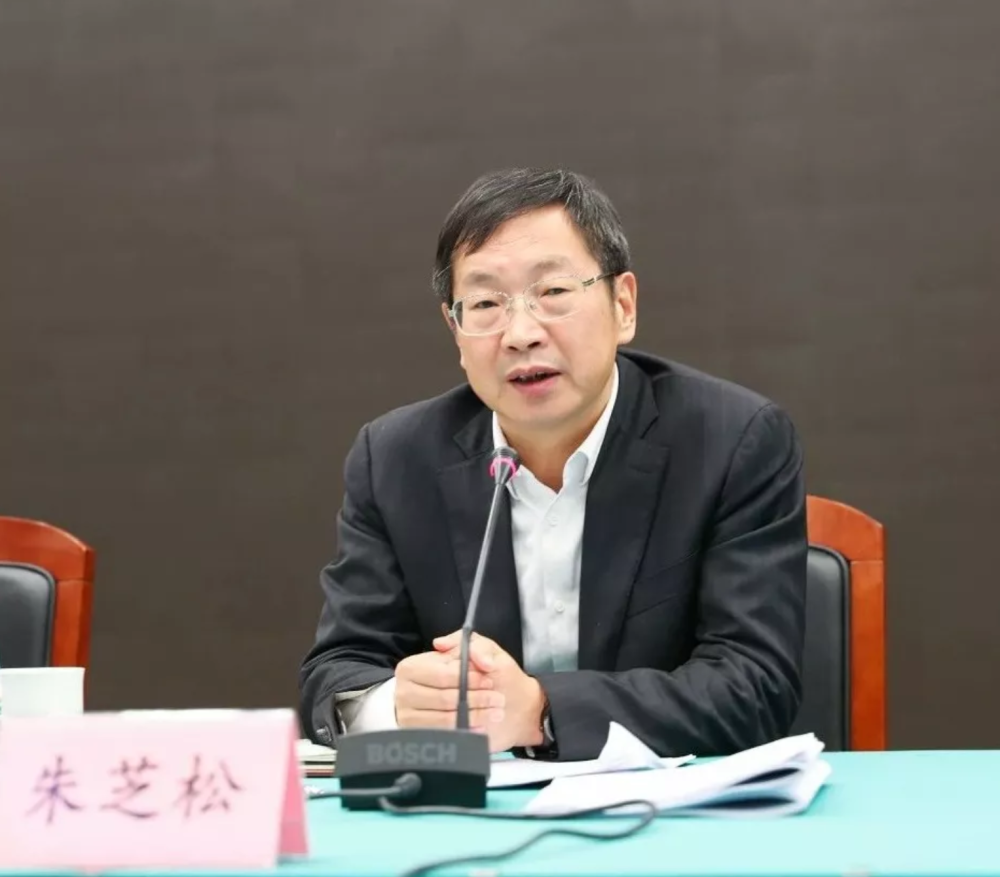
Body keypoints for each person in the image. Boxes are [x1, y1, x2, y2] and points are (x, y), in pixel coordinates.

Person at [298, 167, 807, 761]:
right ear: (455, 331)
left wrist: (540, 711)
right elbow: (337, 673)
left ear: (623, 305)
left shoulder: (730, 441)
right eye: (484, 303)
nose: (520, 333)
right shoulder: (395, 459)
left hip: (666, 806)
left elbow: (754, 685)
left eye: (554, 293)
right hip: (477, 808)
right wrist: (395, 705)